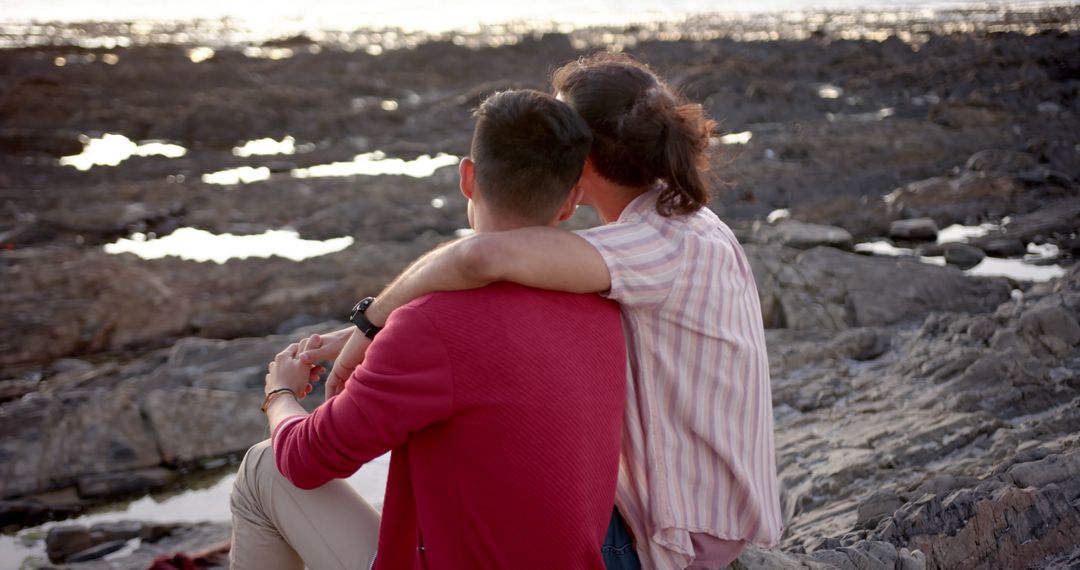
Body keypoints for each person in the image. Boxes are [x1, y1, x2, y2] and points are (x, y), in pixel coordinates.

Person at [303, 53, 784, 569]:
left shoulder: (654, 246)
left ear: (585, 160)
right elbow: (504, 300)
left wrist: (370, 326)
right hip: (700, 520)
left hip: (679, 540)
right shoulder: (680, 220)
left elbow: (480, 256)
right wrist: (384, 331)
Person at [230, 89, 629, 569]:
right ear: (571, 201)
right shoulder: (604, 302)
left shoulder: (432, 324)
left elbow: (306, 461)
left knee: (263, 467)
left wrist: (280, 394)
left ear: (467, 178)